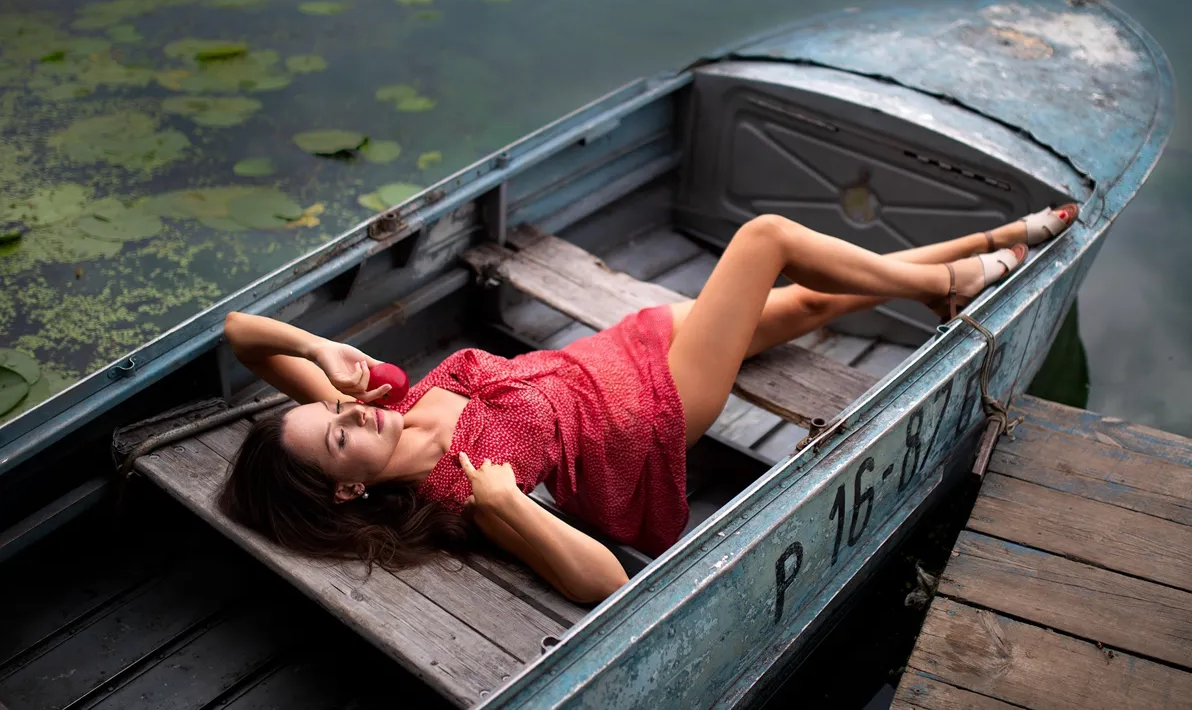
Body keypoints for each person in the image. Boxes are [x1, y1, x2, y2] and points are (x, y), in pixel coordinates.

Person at [220, 206, 1076, 603]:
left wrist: (315, 348)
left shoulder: (381, 402)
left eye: (331, 411)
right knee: (766, 240)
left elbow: (241, 334)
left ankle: (993, 248)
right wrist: (514, 510)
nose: (350, 415)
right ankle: (954, 280)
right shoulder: (463, 494)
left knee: (811, 305)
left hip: (621, 347)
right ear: (347, 490)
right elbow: (606, 582)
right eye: (338, 440)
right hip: (658, 406)